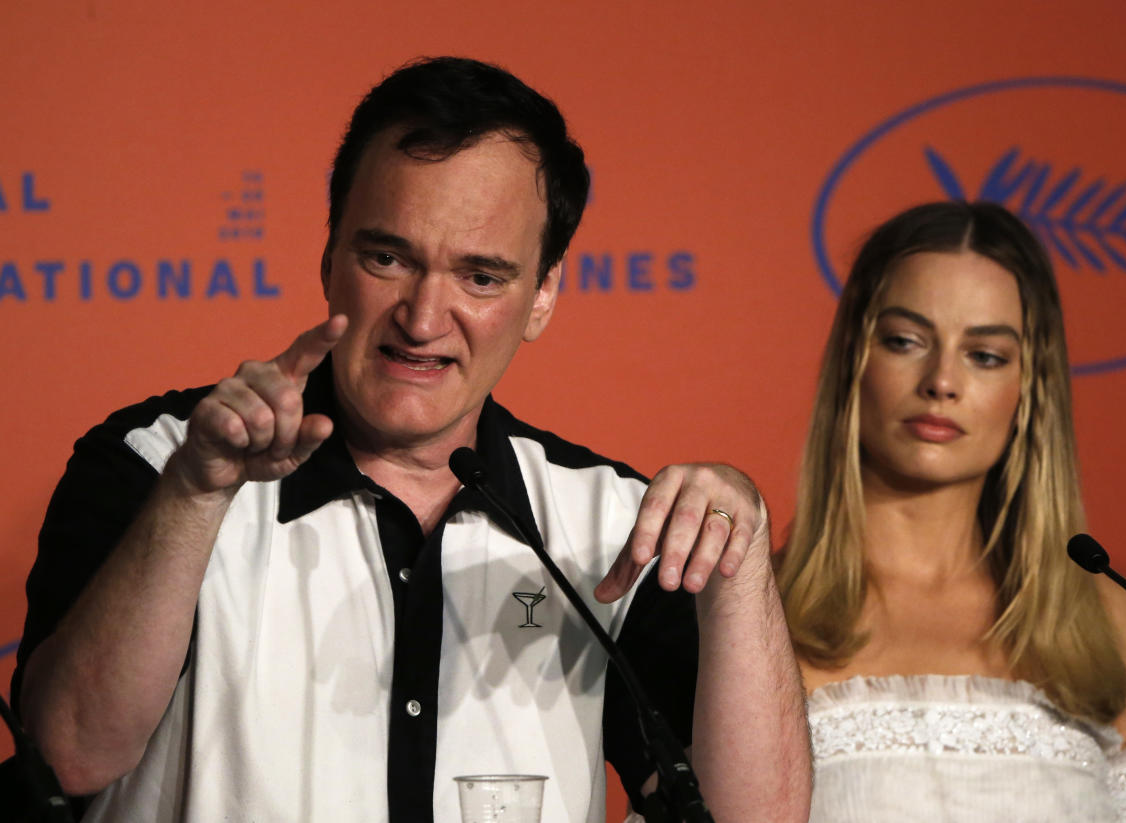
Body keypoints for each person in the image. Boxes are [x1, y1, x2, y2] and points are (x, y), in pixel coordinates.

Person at [11, 57, 810, 823]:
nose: (424, 319)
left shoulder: (612, 526)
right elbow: (71, 755)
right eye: (388, 257)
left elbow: (754, 816)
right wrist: (194, 494)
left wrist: (741, 571)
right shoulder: (158, 463)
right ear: (330, 254)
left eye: (481, 276)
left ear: (543, 295)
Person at [776, 201, 1126, 822]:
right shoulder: (759, 612)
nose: (942, 381)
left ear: (1029, 388)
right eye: (905, 341)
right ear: (853, 362)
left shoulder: (1103, 615)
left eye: (985, 355)